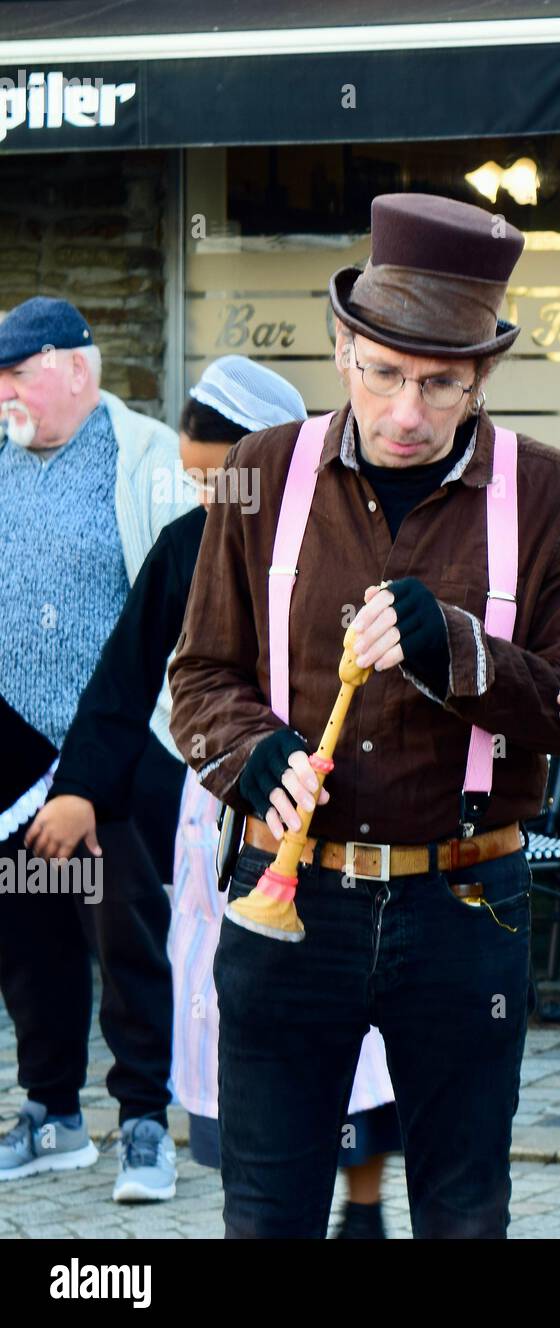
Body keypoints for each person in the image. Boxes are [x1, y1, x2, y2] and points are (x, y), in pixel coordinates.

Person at [168, 194, 560, 1239]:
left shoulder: (553, 498)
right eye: (382, 373)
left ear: (483, 376)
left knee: (462, 1210)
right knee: (266, 1210)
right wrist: (255, 752)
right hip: (287, 902)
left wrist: (452, 648)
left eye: (440, 383)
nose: (407, 412)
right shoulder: (258, 472)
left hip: (467, 903)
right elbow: (199, 679)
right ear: (340, 348)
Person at [0, 297, 194, 1200]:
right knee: (28, 936)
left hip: (114, 753)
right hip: (11, 756)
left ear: (78, 366)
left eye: (18, 371)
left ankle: (146, 1120)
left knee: (126, 936)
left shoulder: (147, 459)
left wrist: (110, 757)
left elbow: (178, 615)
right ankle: (53, 1115)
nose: (4, 390)